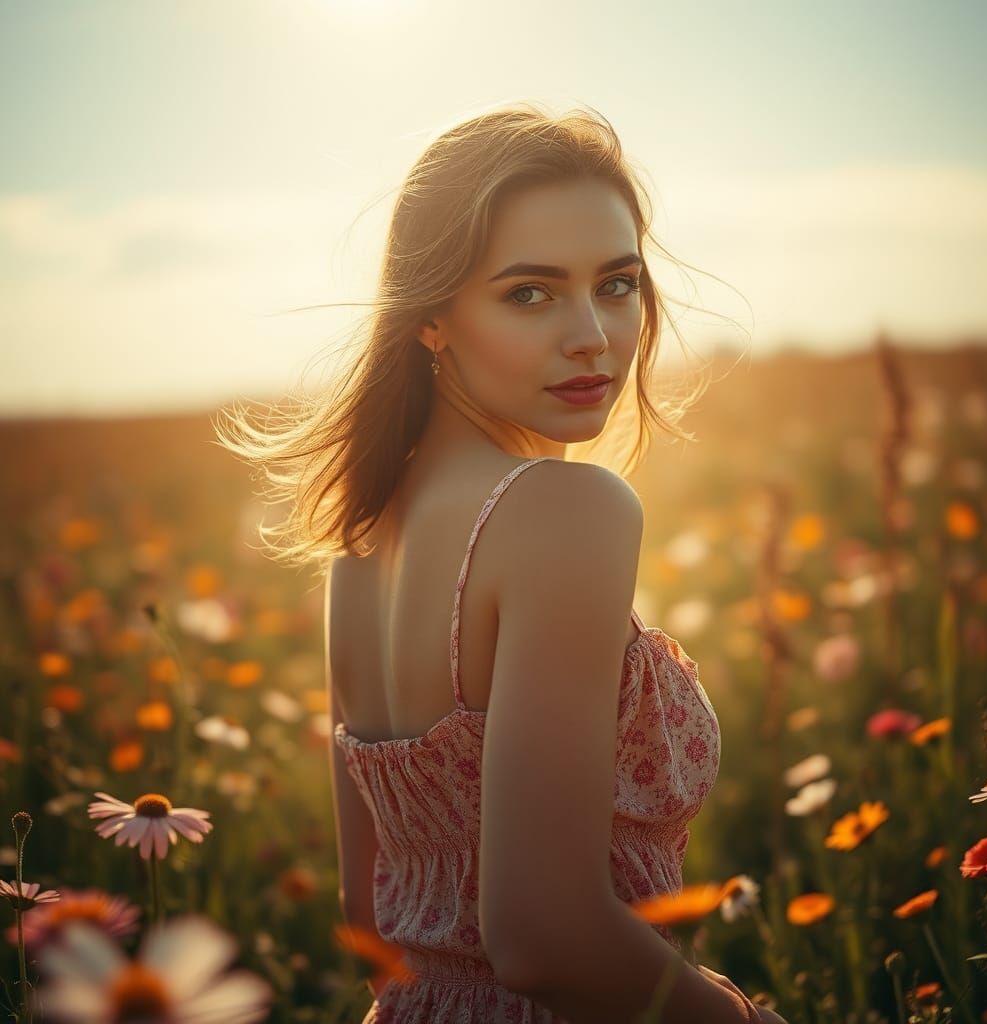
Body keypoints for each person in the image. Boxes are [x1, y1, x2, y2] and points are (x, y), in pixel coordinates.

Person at [217, 103, 782, 1023]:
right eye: (530, 293)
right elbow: (545, 940)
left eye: (617, 284)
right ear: (430, 318)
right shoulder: (566, 510)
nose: (592, 334)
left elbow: (370, 922)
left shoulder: (361, 539)